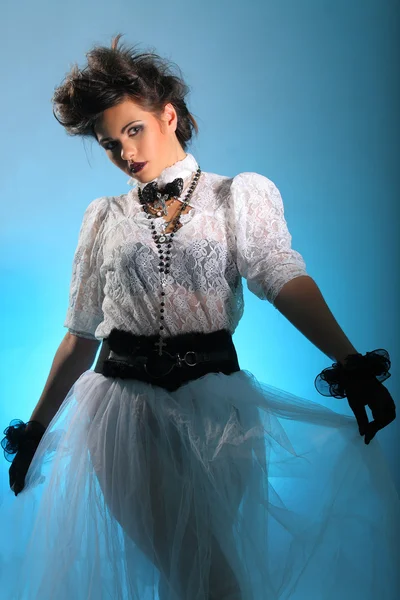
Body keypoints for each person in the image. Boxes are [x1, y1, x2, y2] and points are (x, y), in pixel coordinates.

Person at [1, 34, 398, 600]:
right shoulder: (104, 217)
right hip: (123, 411)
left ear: (169, 115)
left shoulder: (237, 195)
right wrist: (38, 428)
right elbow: (82, 332)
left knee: (193, 572)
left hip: (220, 413)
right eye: (110, 144)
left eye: (133, 129)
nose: (126, 154)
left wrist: (351, 363)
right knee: (205, 576)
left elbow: (282, 277)